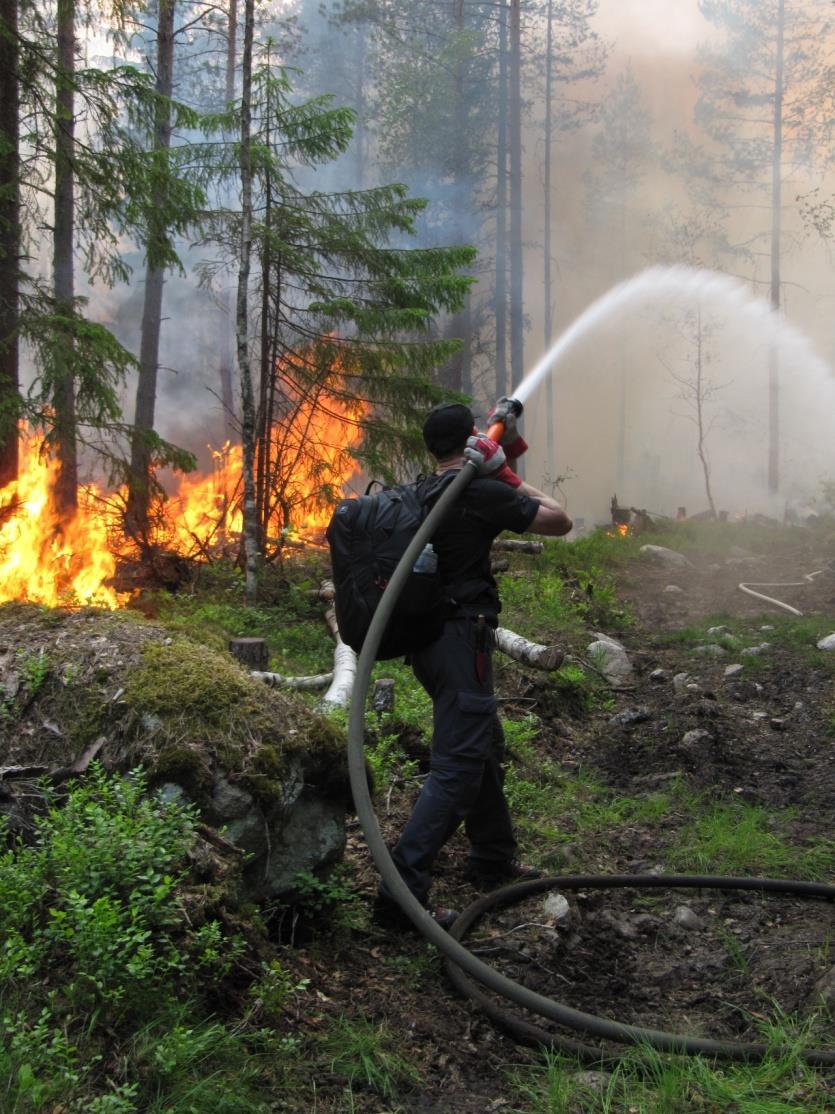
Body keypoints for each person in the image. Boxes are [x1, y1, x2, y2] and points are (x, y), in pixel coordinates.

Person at [374, 399, 572, 930]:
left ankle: (492, 856)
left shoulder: (420, 492)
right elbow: (560, 520)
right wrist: (506, 474)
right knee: (459, 764)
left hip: (427, 647)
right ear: (469, 443)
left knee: (480, 742)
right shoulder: (478, 492)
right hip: (464, 642)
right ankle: (401, 893)